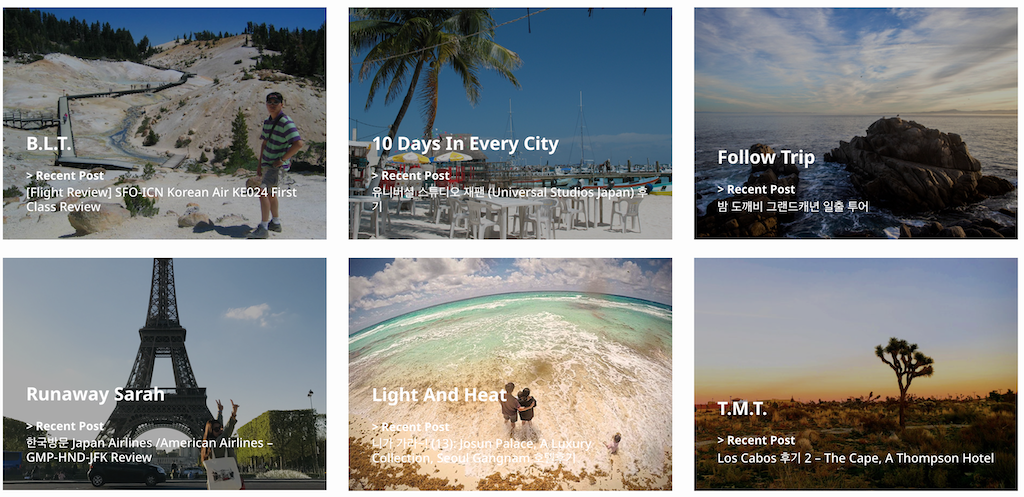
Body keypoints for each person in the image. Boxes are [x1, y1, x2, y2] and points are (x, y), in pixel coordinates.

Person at [249, 91, 304, 239]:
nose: (272, 105)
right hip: (268, 163)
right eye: (269, 102)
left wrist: (282, 159)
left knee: (263, 193)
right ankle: (276, 222)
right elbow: (264, 143)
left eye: (275, 102)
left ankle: (263, 227)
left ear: (282, 104)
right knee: (271, 195)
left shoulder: (286, 122)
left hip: (275, 165)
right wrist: (259, 164)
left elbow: (298, 143)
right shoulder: (268, 122)